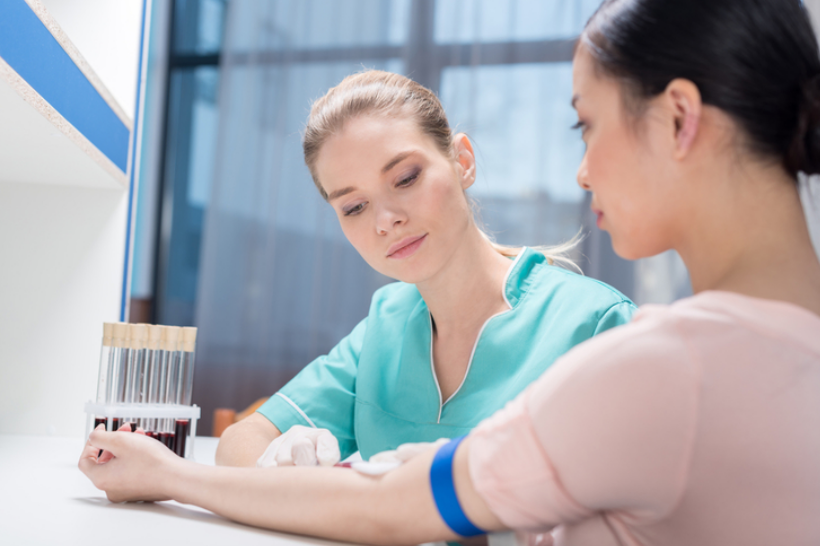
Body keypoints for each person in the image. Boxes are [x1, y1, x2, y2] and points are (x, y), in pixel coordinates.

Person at [79, 0, 820, 544]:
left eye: (586, 125)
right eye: (352, 206)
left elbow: (394, 507)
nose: (582, 171)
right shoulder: (389, 324)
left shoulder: (644, 355)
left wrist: (169, 474)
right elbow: (271, 446)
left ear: (679, 119)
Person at [213, 70, 635, 468]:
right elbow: (240, 441)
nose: (386, 220)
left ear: (462, 161)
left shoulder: (594, 324)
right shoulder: (386, 325)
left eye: (406, 179)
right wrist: (283, 460)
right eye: (354, 207)